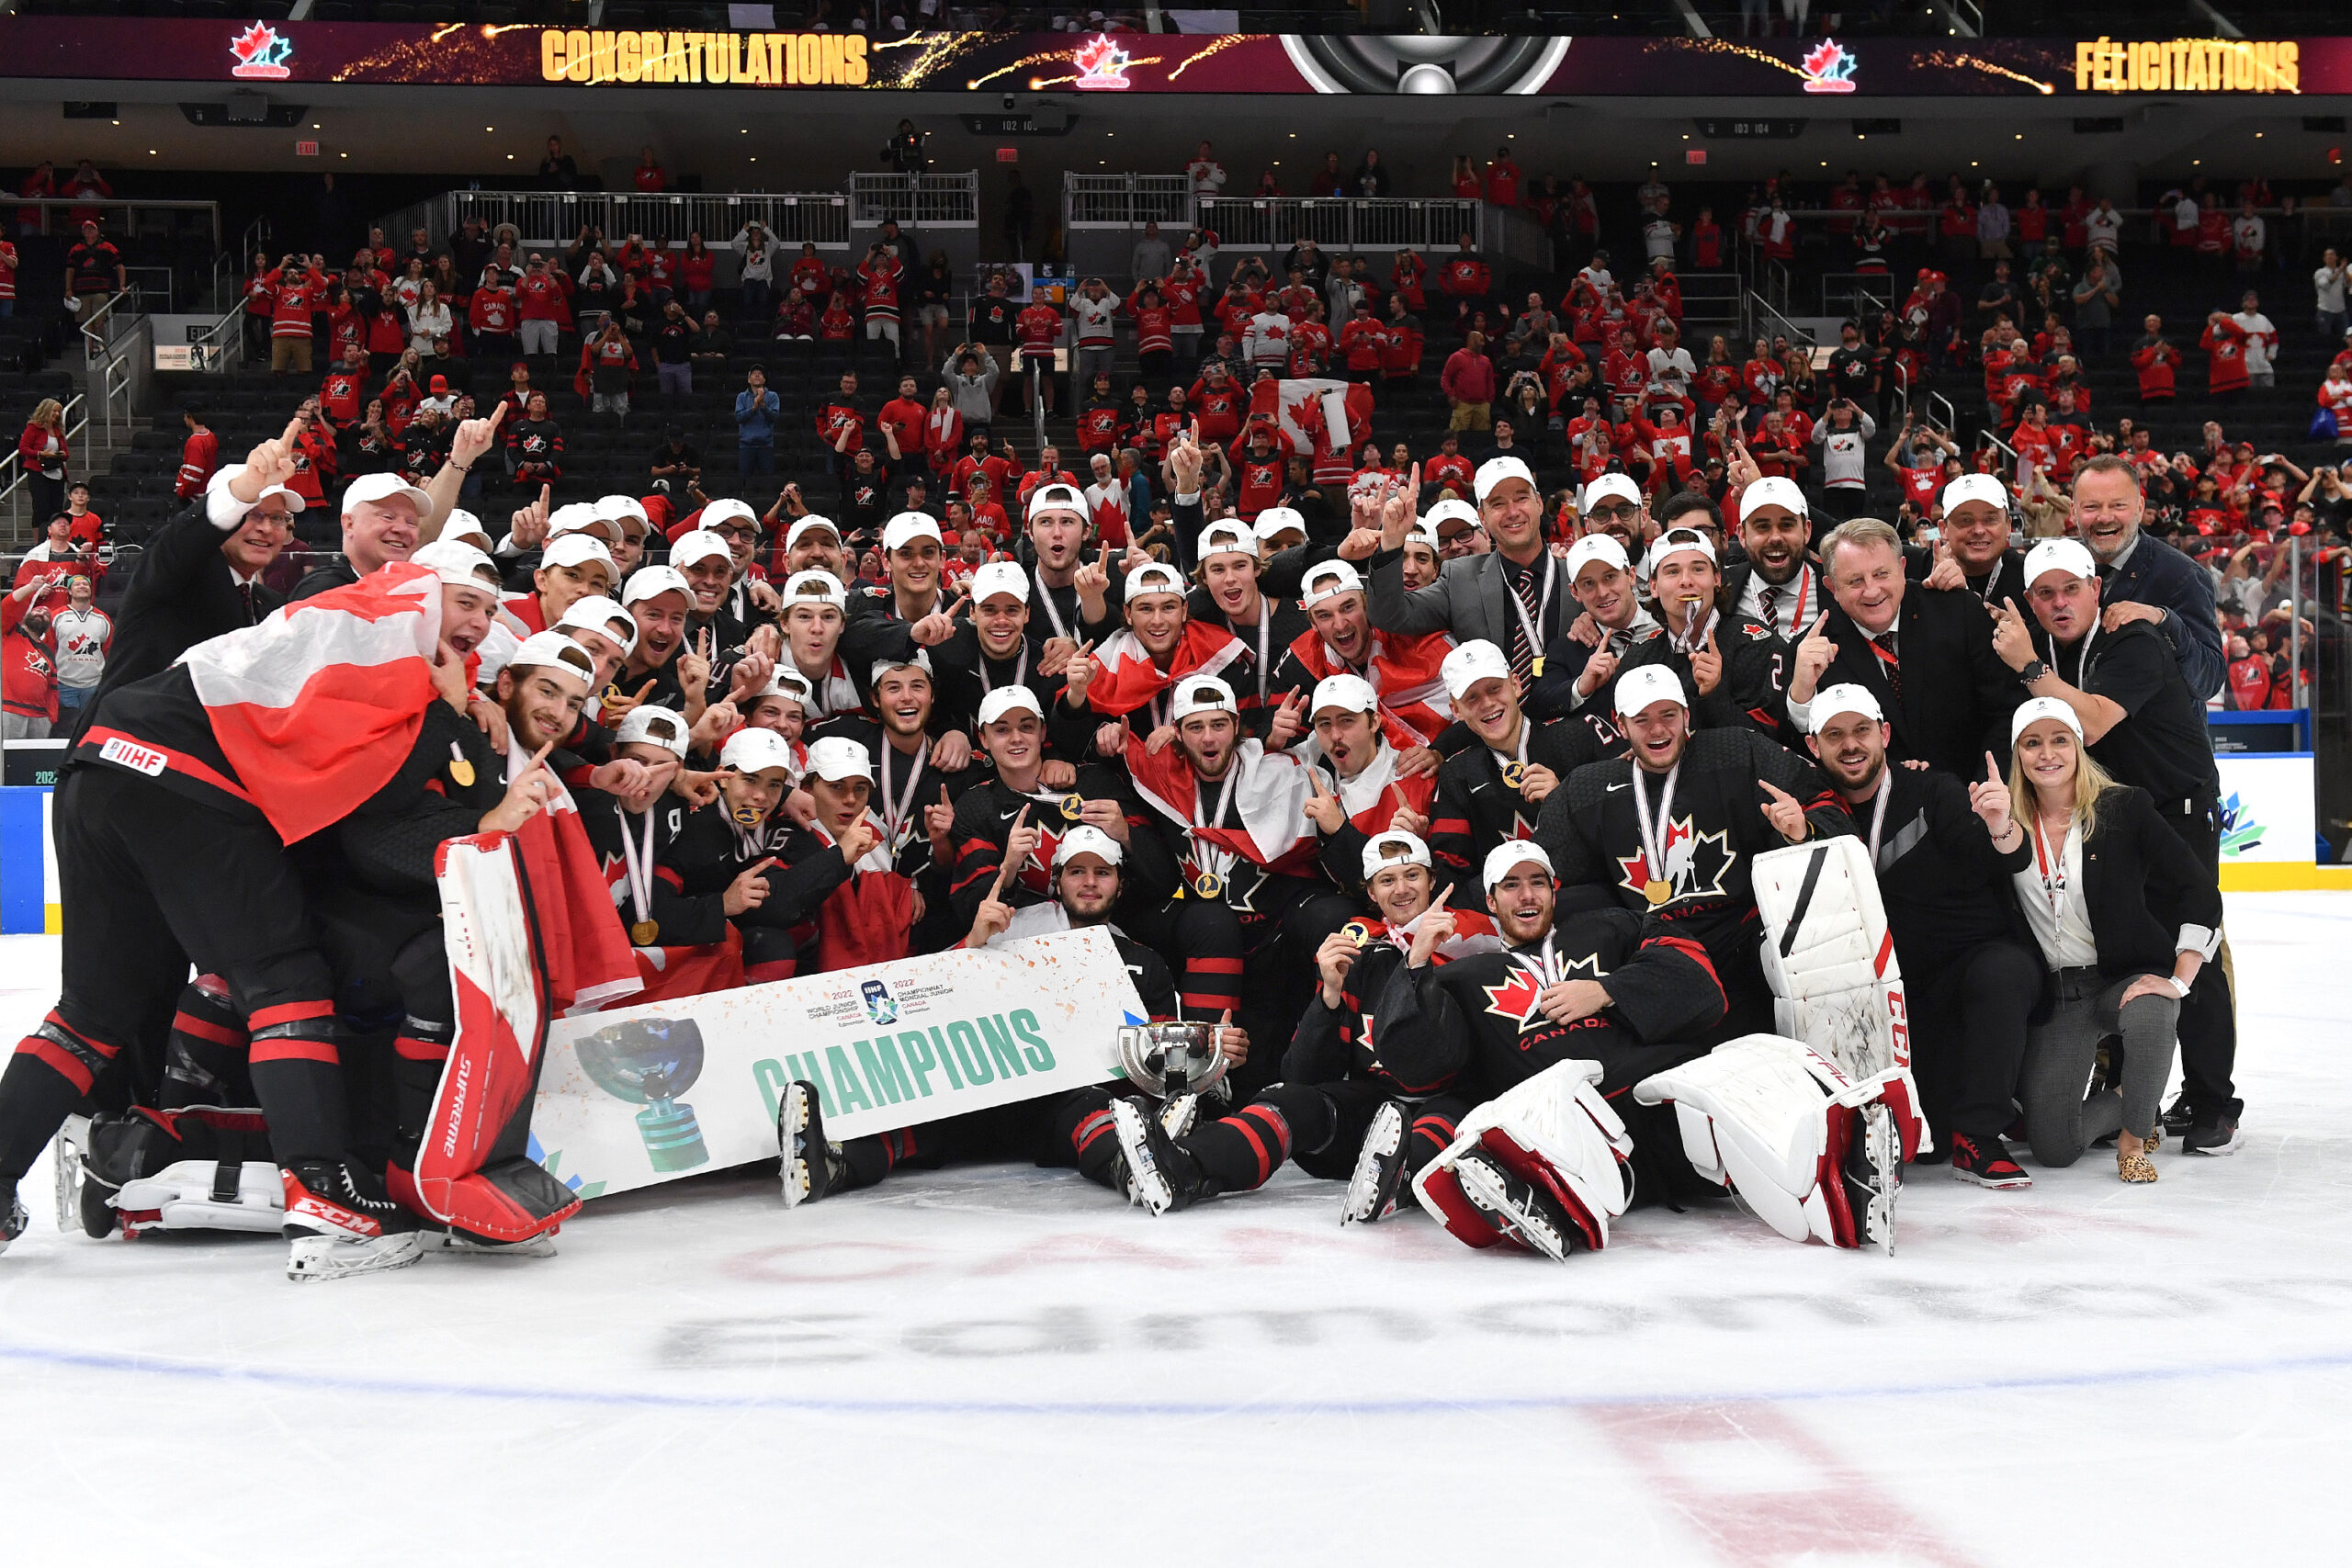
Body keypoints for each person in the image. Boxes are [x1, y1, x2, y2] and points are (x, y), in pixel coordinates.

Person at [1987, 537, 2237, 1156]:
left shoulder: (2130, 639)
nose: (2059, 602)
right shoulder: (2051, 648)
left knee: (2188, 949)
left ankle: (2211, 1101)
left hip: (2175, 810)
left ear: (2098, 589)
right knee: (2122, 948)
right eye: (2044, 592)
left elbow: (2091, 722)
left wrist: (2027, 667)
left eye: (2071, 588)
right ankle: (2128, 1090)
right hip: (2115, 814)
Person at [1803, 683, 2038, 1186]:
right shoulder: (1811, 813)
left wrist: (2001, 826)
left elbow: (2003, 858)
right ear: (1813, 746)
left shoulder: (1934, 790)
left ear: (1884, 734)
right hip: (1885, 996)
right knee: (1926, 1145)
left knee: (2006, 969)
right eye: (1835, 735)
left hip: (1958, 973)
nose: (1851, 745)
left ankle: (1980, 1136)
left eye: (1862, 731)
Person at [1535, 664, 1852, 1037]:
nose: (1657, 730)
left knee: (1811, 947)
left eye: (1668, 715)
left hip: (1746, 935)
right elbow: (1545, 877)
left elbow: (1831, 808)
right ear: (1620, 726)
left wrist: (1803, 832)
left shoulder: (1737, 751)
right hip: (1656, 951)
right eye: (1641, 719)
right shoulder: (1585, 790)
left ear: (1686, 715)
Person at [2001, 698, 2220, 1182]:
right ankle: (2130, 1098)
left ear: (2079, 747)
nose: (2047, 754)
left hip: (2123, 976)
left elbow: (2197, 889)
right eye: (2032, 743)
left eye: (2060, 740)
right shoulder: (2006, 824)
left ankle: (2133, 1139)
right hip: (2057, 993)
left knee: (2153, 1008)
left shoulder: (2124, 806)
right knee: (2054, 1149)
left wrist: (2180, 978)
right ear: (2017, 754)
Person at [1785, 516, 2020, 779]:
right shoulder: (1812, 651)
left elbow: (2004, 712)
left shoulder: (1959, 612)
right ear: (1832, 587)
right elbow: (1803, 755)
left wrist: (1987, 788)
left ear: (1902, 567)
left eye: (1881, 574)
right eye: (1855, 581)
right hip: (1873, 810)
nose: (1872, 591)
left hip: (1974, 795)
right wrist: (1801, 699)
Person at [2068, 455, 2223, 702]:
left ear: (2140, 508)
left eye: (2118, 505)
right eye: (2091, 507)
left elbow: (2209, 680)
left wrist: (2164, 621)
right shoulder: (2058, 568)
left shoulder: (2182, 575)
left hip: (2159, 739)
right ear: (2073, 510)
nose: (2105, 517)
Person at [48, 571, 110, 722]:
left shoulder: (103, 619)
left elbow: (109, 651)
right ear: (69, 591)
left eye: (85, 584)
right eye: (77, 584)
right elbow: (47, 649)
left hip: (94, 685)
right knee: (66, 730)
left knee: (89, 728)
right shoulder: (56, 616)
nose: (82, 586)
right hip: (64, 685)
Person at [17, 398, 68, 524]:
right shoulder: (34, 428)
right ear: (46, 410)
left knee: (56, 509)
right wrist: (40, 454)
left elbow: (66, 453)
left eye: (59, 412)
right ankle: (39, 540)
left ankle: (53, 538)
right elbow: (23, 448)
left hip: (56, 471)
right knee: (41, 508)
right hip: (38, 471)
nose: (56, 414)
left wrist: (61, 455)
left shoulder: (58, 431)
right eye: (54, 411)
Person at [736, 365, 780, 477]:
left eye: (760, 374)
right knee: (744, 481)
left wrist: (763, 406)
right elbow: (739, 417)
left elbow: (774, 417)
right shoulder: (741, 397)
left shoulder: (772, 396)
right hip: (746, 445)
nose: (757, 375)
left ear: (764, 379)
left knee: (767, 481)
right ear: (748, 379)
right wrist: (753, 408)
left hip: (765, 445)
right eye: (754, 373)